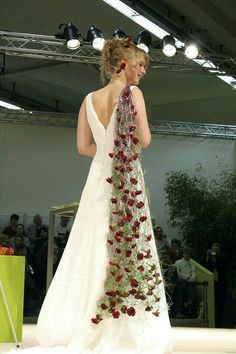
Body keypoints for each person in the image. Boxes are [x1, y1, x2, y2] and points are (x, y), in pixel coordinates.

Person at [5, 38, 172, 354]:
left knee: (91, 245)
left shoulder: (88, 99)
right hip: (125, 178)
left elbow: (83, 147)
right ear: (124, 64)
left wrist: (107, 153)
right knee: (127, 245)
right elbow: (145, 139)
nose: (143, 73)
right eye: (140, 65)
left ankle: (82, 320)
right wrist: (122, 151)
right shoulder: (132, 94)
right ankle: (119, 323)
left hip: (98, 177)